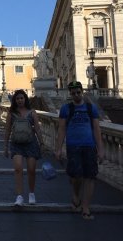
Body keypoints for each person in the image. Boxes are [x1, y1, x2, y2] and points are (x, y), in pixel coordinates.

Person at [55, 81, 104, 220]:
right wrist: (58, 149)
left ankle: (86, 207)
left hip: (89, 145)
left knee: (90, 176)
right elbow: (61, 129)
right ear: (70, 93)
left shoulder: (91, 108)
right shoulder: (66, 109)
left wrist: (100, 149)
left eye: (78, 92)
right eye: (73, 93)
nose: (76, 95)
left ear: (82, 92)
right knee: (76, 176)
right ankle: (76, 195)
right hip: (73, 146)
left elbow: (97, 129)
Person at [4, 89, 44, 206]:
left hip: (31, 143)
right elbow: (7, 130)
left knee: (31, 170)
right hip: (16, 144)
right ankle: (19, 196)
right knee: (18, 169)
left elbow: (37, 128)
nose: (20, 100)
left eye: (21, 98)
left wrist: (41, 143)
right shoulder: (11, 113)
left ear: (25, 99)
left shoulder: (32, 112)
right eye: (17, 99)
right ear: (15, 100)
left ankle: (31, 193)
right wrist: (5, 146)